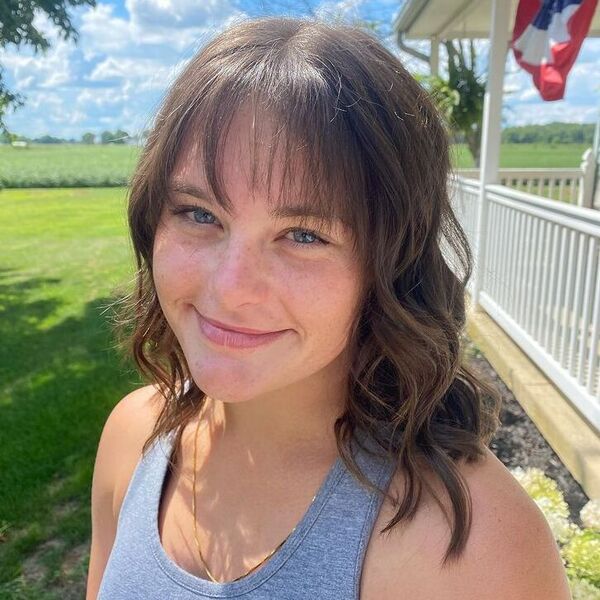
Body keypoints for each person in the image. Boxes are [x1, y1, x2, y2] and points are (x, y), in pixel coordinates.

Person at [86, 15, 572, 600]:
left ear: (391, 264)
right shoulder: (132, 437)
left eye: (304, 235)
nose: (230, 287)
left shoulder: (469, 546)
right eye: (199, 213)